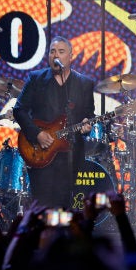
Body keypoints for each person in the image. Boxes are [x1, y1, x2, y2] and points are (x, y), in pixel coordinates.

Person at [13, 35, 94, 209]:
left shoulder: (84, 84)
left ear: (70, 56)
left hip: (71, 155)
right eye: (52, 52)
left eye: (61, 52)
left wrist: (87, 125)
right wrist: (37, 134)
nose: (55, 55)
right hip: (41, 152)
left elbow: (88, 114)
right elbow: (19, 110)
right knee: (42, 207)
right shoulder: (36, 79)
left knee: (65, 207)